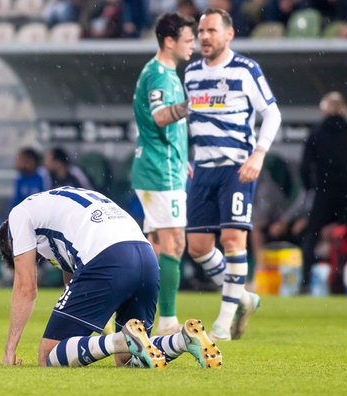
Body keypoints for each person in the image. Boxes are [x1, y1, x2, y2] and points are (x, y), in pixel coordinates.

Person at [0, 186, 222, 368]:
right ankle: (182, 340)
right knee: (126, 359)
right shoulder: (59, 202)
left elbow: (26, 287)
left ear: (13, 242)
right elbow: (74, 279)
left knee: (48, 355)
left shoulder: (18, 215)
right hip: (145, 257)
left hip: (108, 258)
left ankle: (122, 339)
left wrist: (9, 350)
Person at [184, 8, 282, 341]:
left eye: (211, 30)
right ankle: (242, 296)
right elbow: (190, 119)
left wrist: (259, 153)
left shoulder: (245, 69)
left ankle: (223, 323)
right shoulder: (192, 73)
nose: (205, 37)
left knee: (232, 240)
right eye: (201, 31)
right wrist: (185, 156)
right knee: (197, 247)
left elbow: (272, 113)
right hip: (202, 169)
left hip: (236, 168)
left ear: (229, 35)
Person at [131, 12, 196, 335]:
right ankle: (167, 322)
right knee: (174, 244)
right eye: (188, 40)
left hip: (162, 166)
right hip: (159, 172)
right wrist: (190, 104)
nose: (193, 46)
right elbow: (159, 117)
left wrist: (182, 156)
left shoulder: (165, 73)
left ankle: (136, 315)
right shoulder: (159, 75)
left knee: (155, 247)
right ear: (169, 41)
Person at [299, 91, 347, 290]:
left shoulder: (316, 132)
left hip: (324, 191)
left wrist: (311, 187)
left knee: (312, 236)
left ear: (325, 110)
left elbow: (304, 166)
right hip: (346, 192)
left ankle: (305, 282)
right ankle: (340, 280)